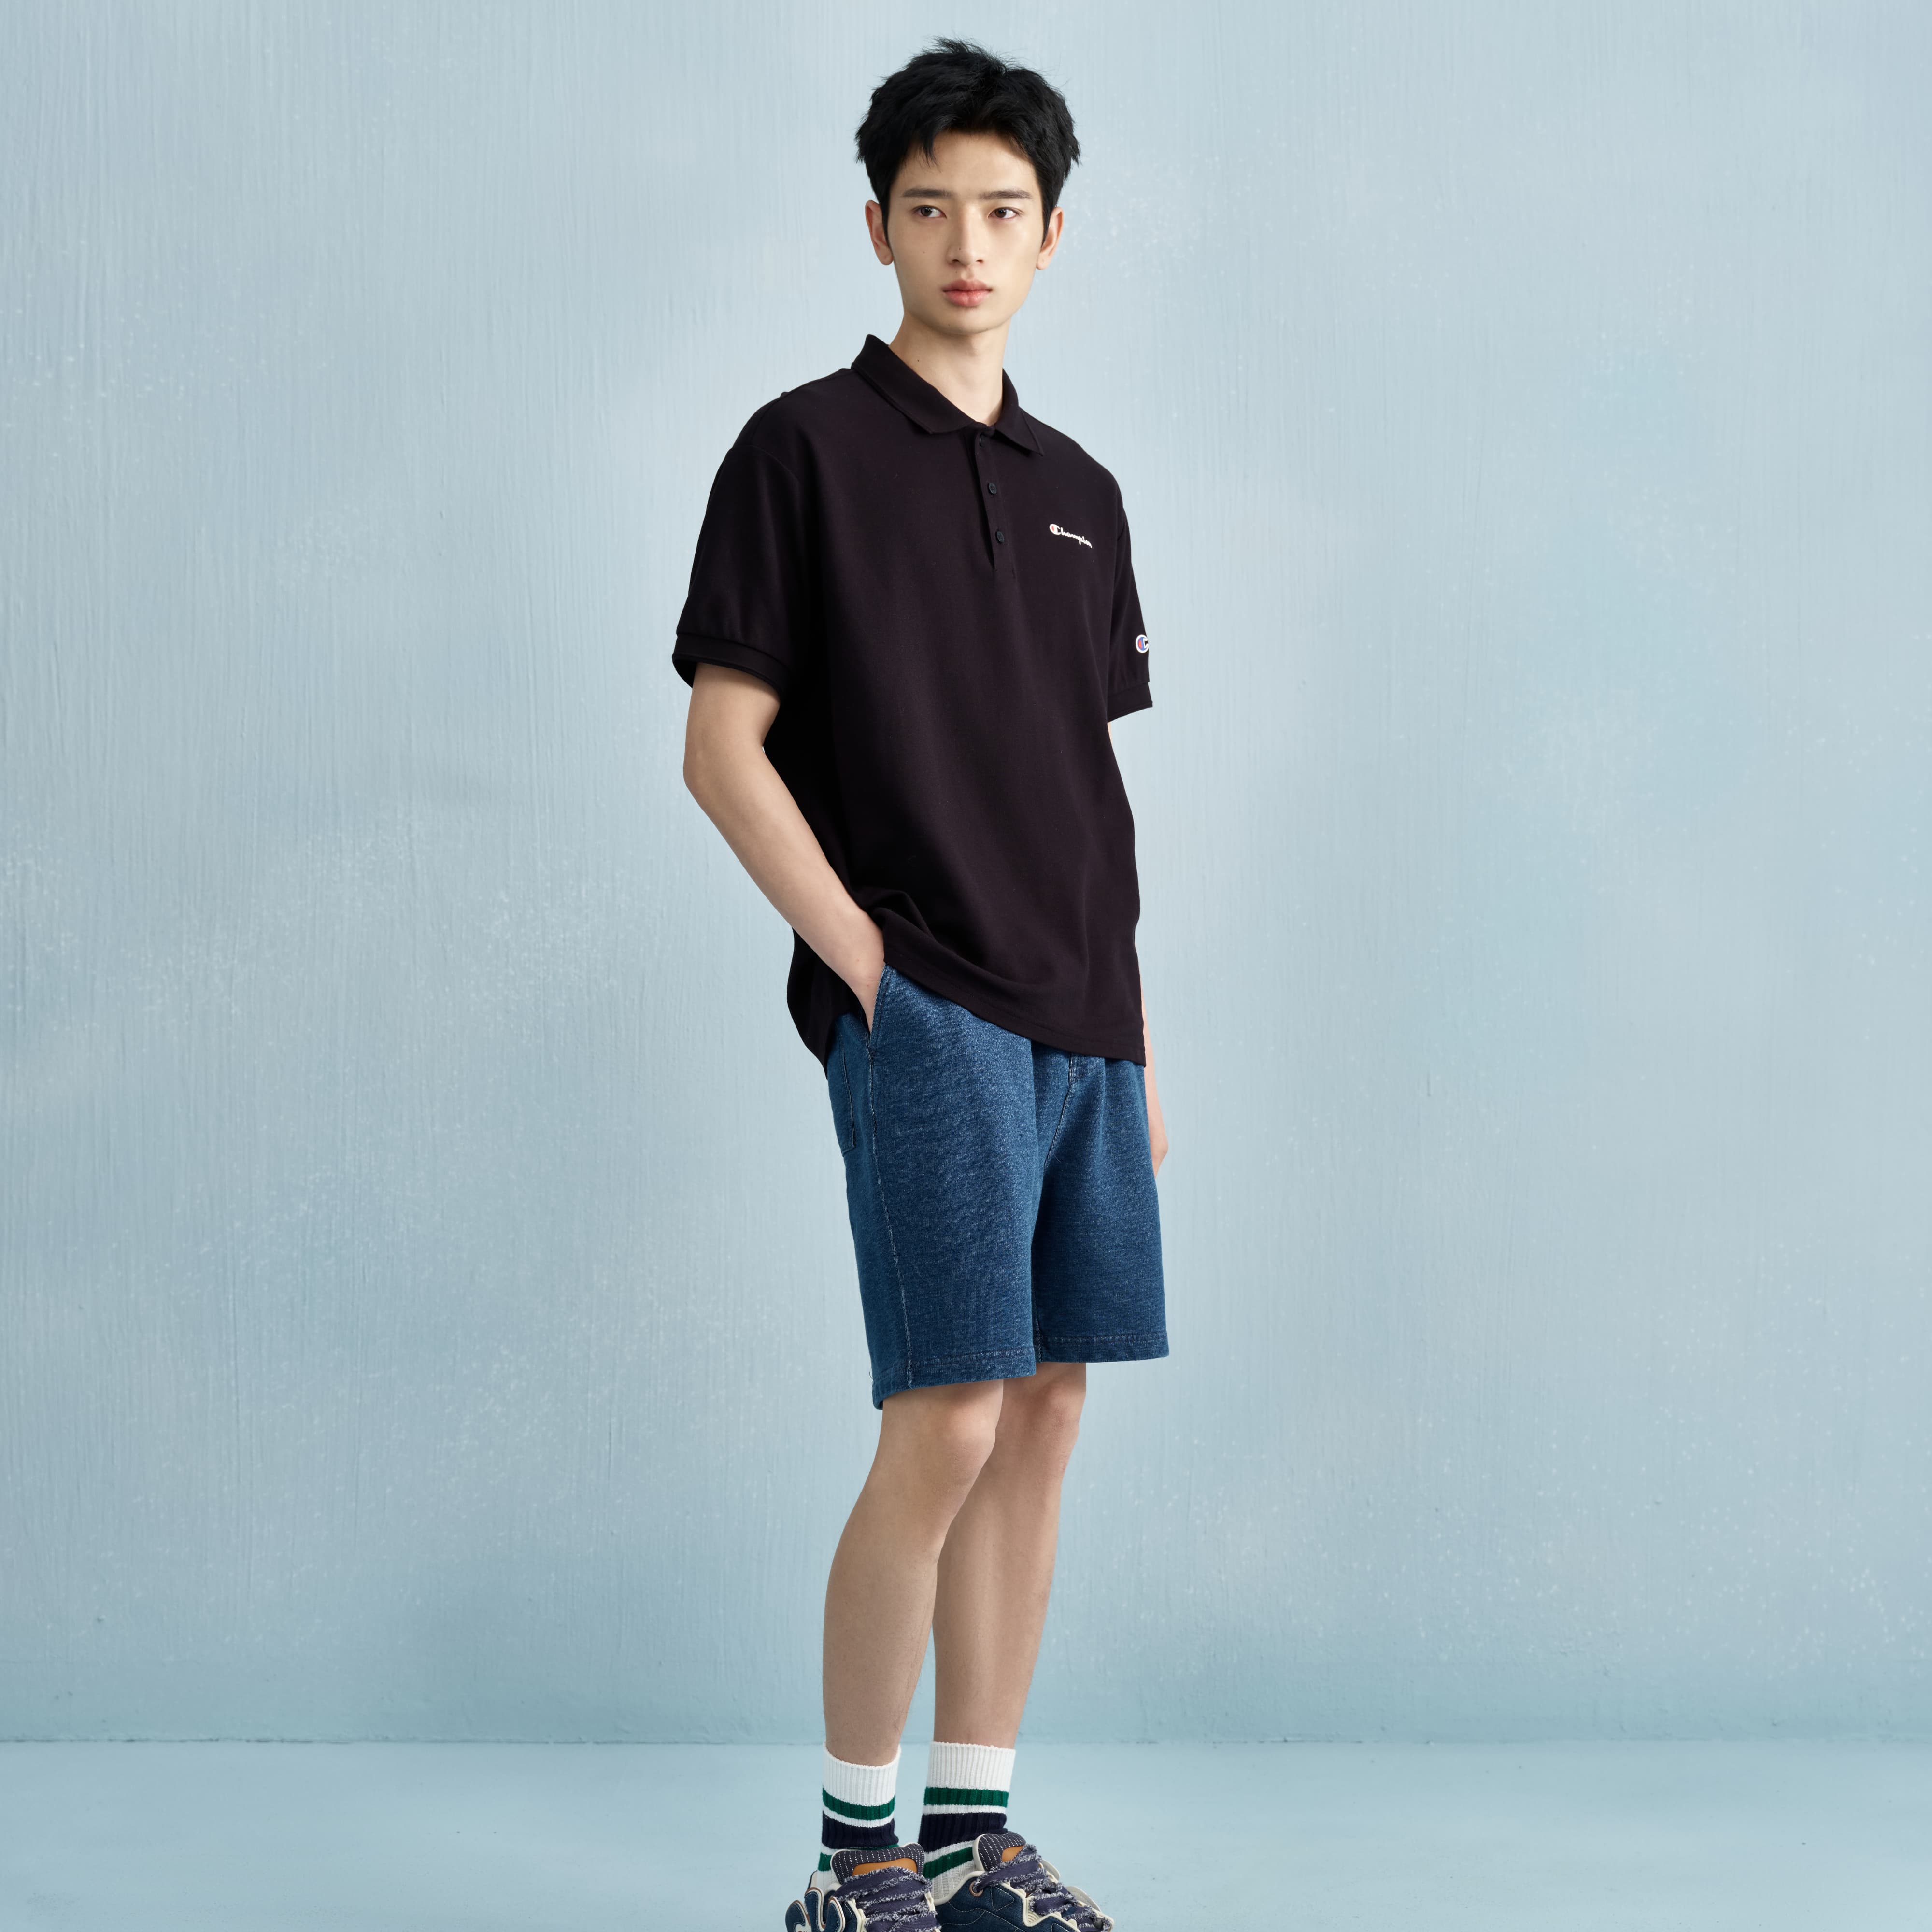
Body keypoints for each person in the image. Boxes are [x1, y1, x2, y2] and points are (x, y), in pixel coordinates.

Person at [675, 37, 1168, 1932]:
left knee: (1044, 1412)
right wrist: (867, 962)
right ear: (875, 225)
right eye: (932, 206)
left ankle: (971, 1839)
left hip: (1085, 1012)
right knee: (949, 1411)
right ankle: (850, 1857)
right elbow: (723, 746)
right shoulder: (798, 452)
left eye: (1005, 211)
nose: (969, 241)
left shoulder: (1081, 490)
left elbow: (1078, 782)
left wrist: (1138, 1035)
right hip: (931, 999)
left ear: (1053, 238)